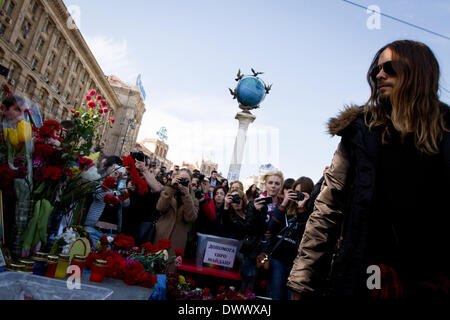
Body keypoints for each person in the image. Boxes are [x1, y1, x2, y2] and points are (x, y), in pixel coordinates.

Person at [288, 40, 450, 301]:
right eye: (377, 68)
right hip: (361, 280)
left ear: (418, 71)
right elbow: (327, 211)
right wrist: (302, 282)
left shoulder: (447, 134)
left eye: (390, 67)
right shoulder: (360, 133)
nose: (379, 74)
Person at [266, 176, 314, 300]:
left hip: (297, 264)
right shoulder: (285, 207)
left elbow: (304, 235)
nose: (298, 196)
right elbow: (271, 227)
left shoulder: (312, 213)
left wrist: (302, 208)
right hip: (278, 260)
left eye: (302, 194)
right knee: (276, 295)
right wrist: (285, 202)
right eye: (296, 192)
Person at [239, 171, 284, 294]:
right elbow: (247, 228)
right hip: (253, 248)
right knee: (248, 280)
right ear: (265, 184)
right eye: (270, 183)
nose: (273, 186)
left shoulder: (283, 205)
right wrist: (256, 211)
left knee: (261, 282)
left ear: (281, 186)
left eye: (277, 183)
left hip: (269, 250)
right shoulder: (255, 202)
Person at [153, 168, 199, 271]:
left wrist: (186, 195)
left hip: (177, 241)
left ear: (191, 183)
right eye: (181, 178)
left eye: (186, 180)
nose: (183, 182)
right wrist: (171, 187)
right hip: (161, 235)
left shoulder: (193, 200)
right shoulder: (168, 190)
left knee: (169, 270)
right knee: (153, 267)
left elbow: (190, 217)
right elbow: (160, 207)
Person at [84, 156, 130, 248]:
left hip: (112, 234)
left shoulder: (121, 186)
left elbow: (125, 203)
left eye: (118, 167)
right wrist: (111, 178)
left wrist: (123, 181)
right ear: (108, 166)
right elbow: (99, 195)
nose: (115, 169)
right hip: (94, 230)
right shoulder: (99, 180)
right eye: (113, 166)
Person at [121, 152, 162, 245]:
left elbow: (157, 189)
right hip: (126, 221)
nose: (141, 165)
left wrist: (144, 170)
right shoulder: (128, 177)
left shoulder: (149, 179)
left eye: (145, 163)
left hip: (141, 225)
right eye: (139, 162)